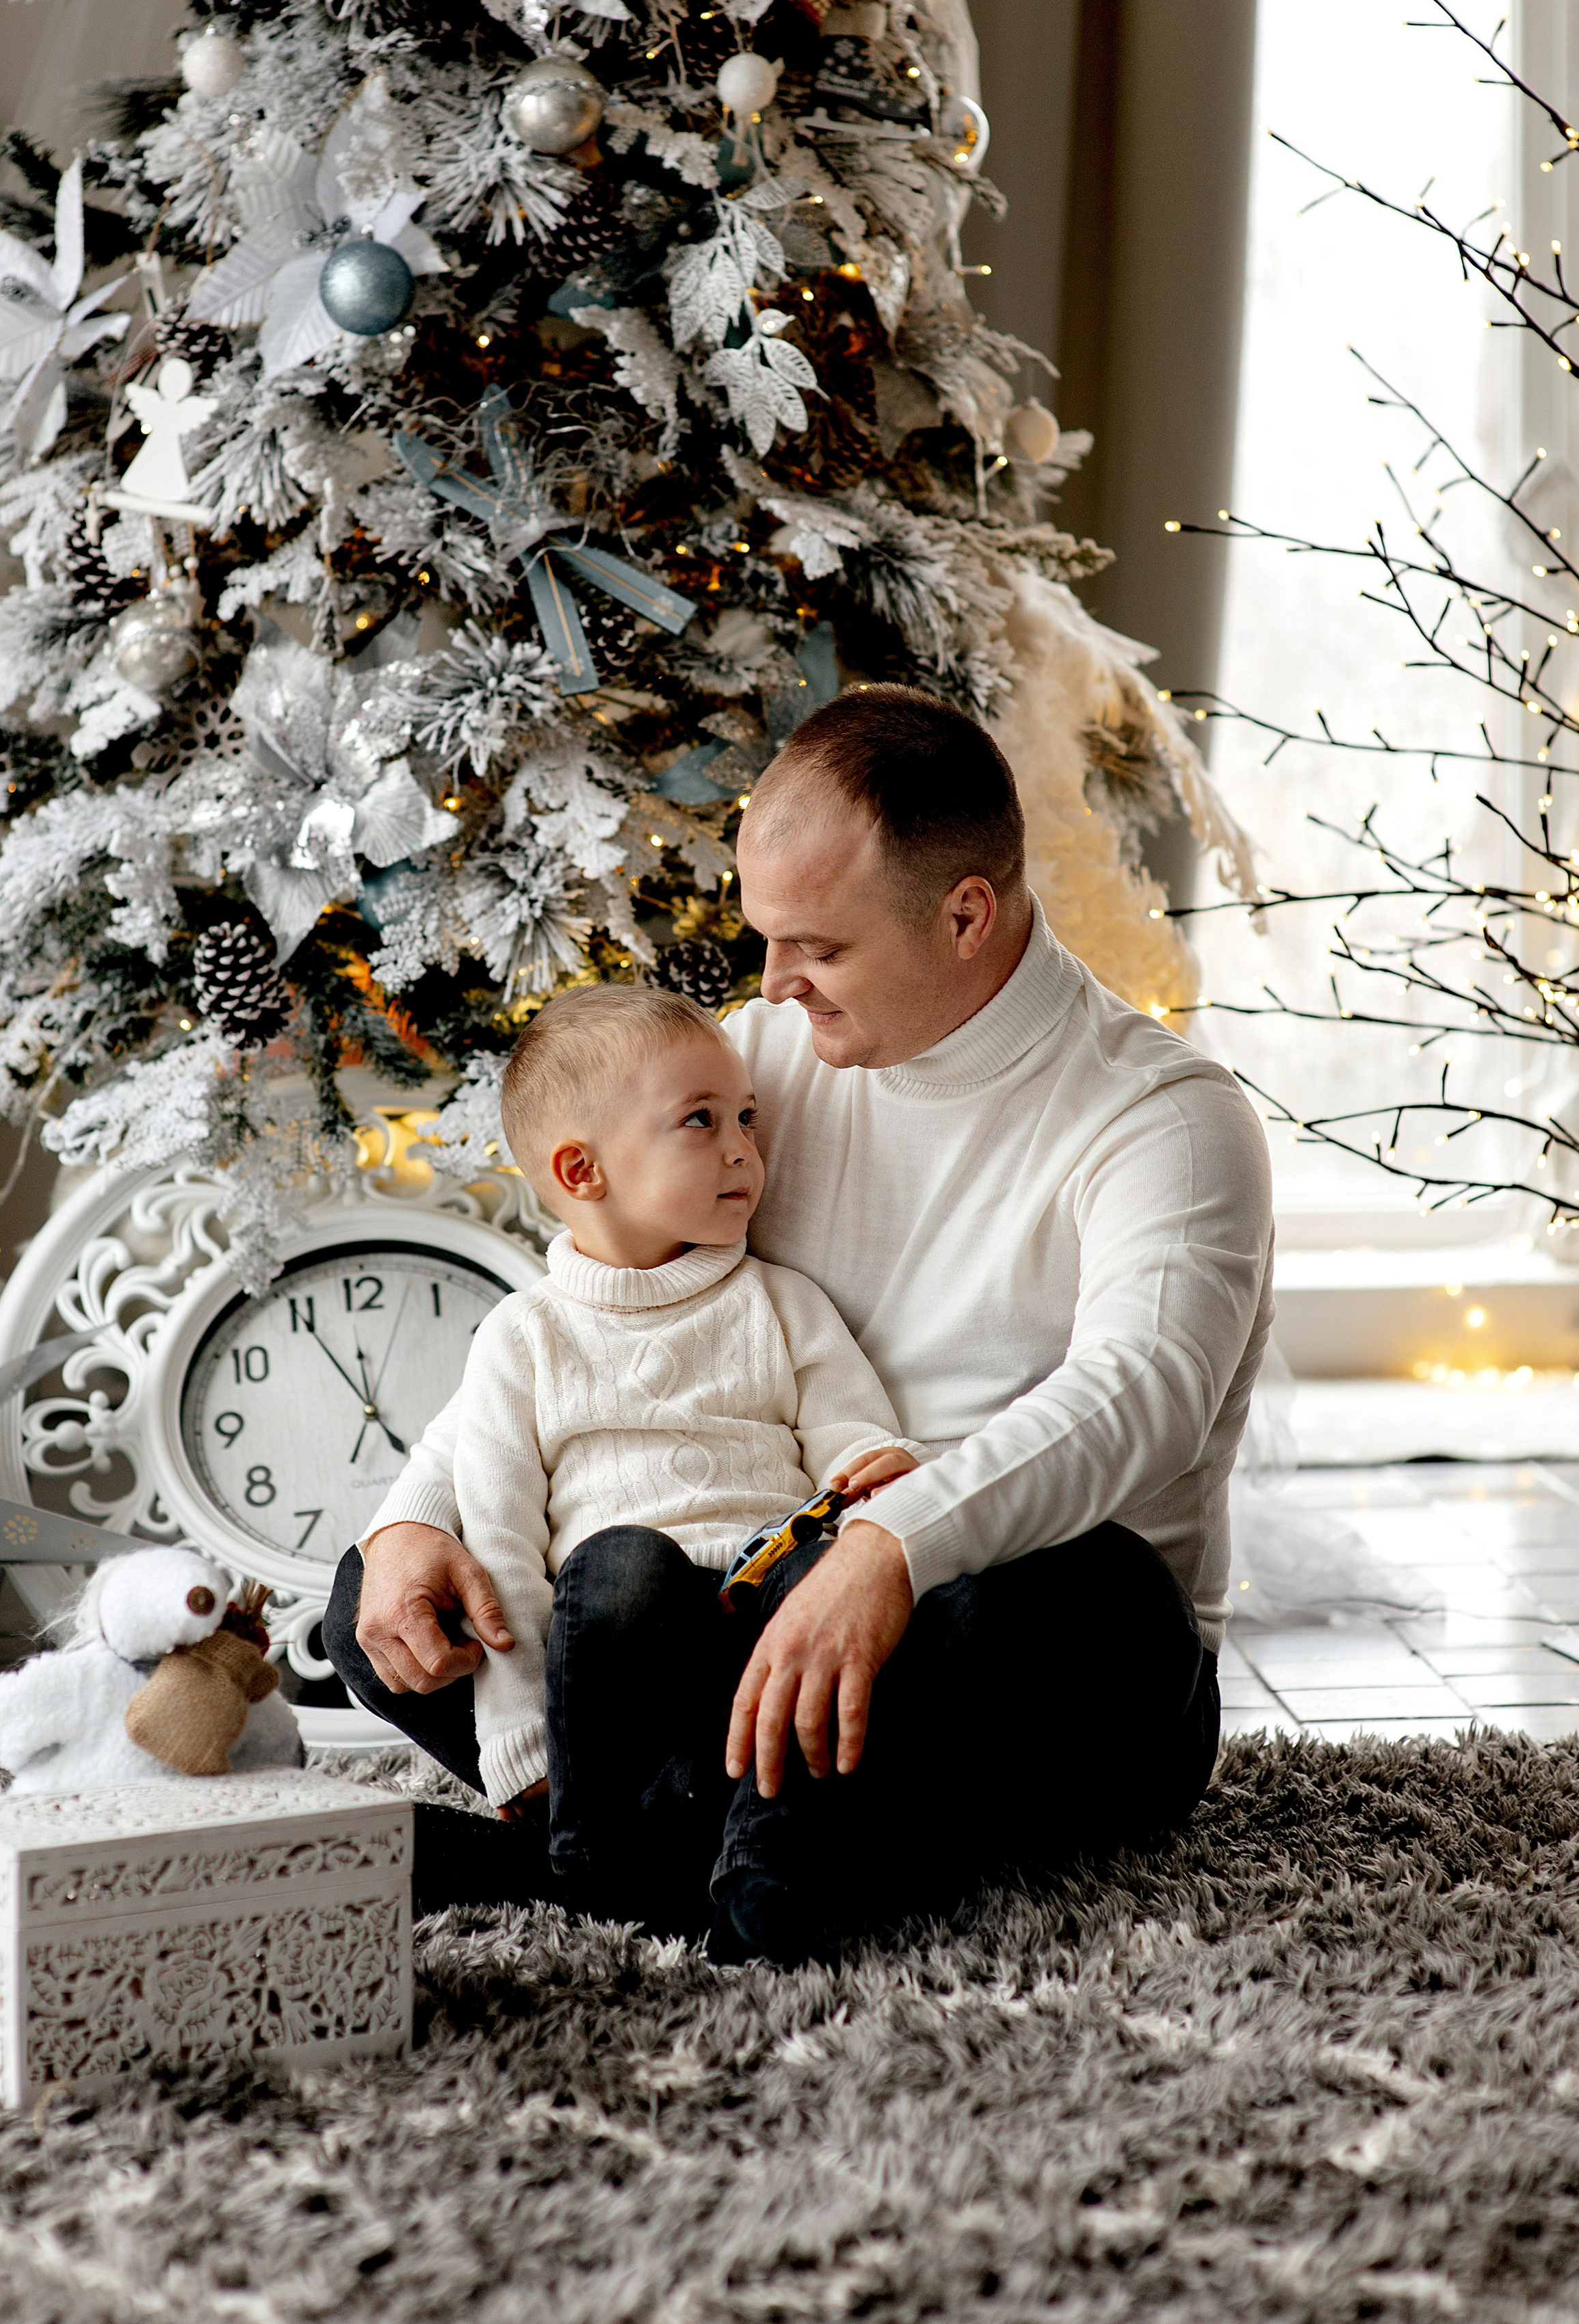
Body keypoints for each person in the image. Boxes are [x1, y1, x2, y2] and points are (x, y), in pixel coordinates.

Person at [326, 684, 1275, 1959]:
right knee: (375, 1605)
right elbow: (576, 1323)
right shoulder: (757, 1066)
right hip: (757, 1614)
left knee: (1078, 1598)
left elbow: (1144, 1394)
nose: (774, 982)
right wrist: (407, 1520)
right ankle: (730, 1849)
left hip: (1008, 1647)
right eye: (765, 938)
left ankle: (619, 1853)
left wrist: (892, 1549)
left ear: (964, 915)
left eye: (816, 947)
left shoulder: (1162, 1118)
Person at [395, 978, 920, 1946]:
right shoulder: (525, 1338)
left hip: (759, 1627)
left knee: (824, 1576)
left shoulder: (780, 1301)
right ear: (583, 1171)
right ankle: (593, 1856)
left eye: (748, 1120)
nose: (742, 1149)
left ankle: (761, 1867)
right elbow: (501, 1545)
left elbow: (853, 1438)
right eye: (700, 1121)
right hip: (614, 1658)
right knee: (621, 1562)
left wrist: (874, 1471)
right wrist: (517, 1735)